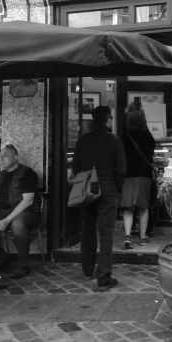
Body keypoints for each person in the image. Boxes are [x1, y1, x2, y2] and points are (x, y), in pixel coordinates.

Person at [71, 106, 126, 291]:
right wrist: (117, 187)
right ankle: (103, 275)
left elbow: (75, 167)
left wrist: (85, 182)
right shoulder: (114, 140)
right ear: (108, 119)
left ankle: (87, 268)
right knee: (106, 233)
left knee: (87, 228)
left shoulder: (83, 140)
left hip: (87, 188)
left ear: (93, 119)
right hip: (108, 188)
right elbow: (121, 169)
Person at [0, 144, 39, 279]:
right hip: (3, 213)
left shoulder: (27, 173)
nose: (1, 159)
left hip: (26, 213)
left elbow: (28, 201)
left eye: (5, 156)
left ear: (16, 158)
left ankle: (23, 265)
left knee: (18, 224)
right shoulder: (0, 176)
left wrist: (7, 219)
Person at [120, 109, 156, 249]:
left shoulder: (124, 137)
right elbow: (151, 151)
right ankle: (142, 237)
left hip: (127, 175)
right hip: (143, 174)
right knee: (143, 207)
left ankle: (128, 236)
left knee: (128, 208)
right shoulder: (147, 136)